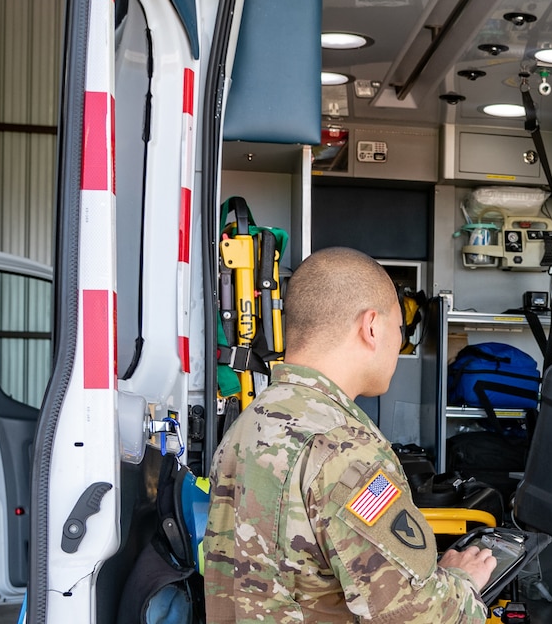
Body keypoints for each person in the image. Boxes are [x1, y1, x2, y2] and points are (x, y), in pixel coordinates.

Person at [203, 246, 496, 622]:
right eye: (399, 330)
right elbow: (419, 616)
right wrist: (461, 581)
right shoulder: (343, 448)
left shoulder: (250, 422)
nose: (398, 343)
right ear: (371, 326)